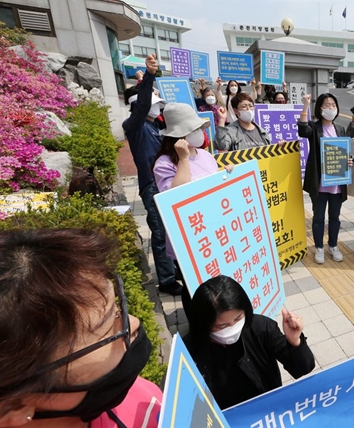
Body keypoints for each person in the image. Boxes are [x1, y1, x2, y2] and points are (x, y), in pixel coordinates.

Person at [0, 228, 162, 427]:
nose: (134, 322)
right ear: (11, 407)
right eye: (107, 329)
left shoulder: (142, 400)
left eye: (118, 307)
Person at [186, 275, 314, 409]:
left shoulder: (261, 327)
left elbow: (303, 368)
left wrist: (294, 341)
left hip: (267, 409)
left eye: (238, 318)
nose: (232, 327)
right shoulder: (190, 348)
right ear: (203, 324)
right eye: (222, 326)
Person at [153, 102, 229, 315]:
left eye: (198, 129)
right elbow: (175, 197)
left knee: (214, 282)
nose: (199, 134)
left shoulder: (205, 155)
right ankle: (197, 324)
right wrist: (184, 160)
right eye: (192, 130)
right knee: (193, 286)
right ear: (177, 137)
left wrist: (227, 175)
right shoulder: (164, 163)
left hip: (212, 229)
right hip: (189, 236)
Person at [122, 54, 181, 296]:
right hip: (152, 187)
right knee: (159, 231)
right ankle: (166, 279)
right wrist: (148, 76)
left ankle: (174, 268)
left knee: (171, 229)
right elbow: (144, 104)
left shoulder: (155, 126)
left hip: (165, 184)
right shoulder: (133, 126)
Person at [298, 93, 354, 264]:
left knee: (335, 217)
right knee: (318, 218)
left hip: (337, 182)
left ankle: (333, 245)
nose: (331, 108)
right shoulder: (314, 127)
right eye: (327, 105)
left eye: (333, 105)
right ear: (320, 108)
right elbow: (302, 130)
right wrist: (306, 105)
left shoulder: (340, 128)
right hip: (320, 182)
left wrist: (348, 160)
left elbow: (344, 150)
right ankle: (319, 248)